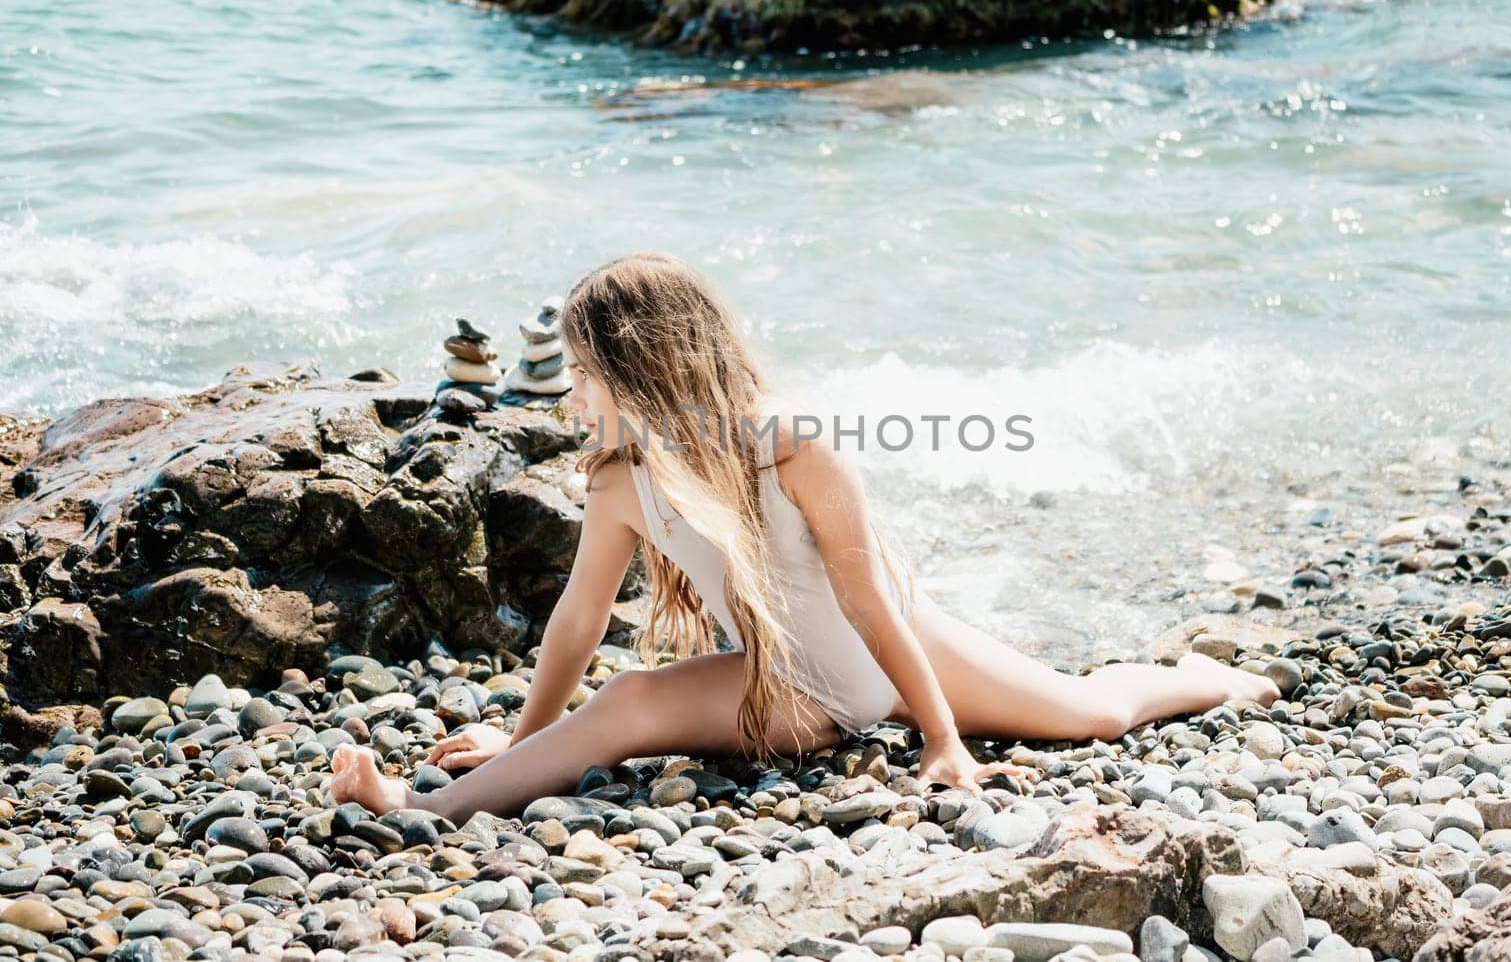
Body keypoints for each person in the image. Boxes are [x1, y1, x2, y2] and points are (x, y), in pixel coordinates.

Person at [330, 251, 1277, 822]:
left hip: (887, 641)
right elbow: (576, 622)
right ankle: (419, 808)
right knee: (628, 701)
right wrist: (515, 750)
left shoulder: (794, 446)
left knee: (1091, 713)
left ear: (646, 365)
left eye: (585, 371)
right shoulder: (623, 476)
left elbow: (867, 600)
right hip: (788, 685)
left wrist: (941, 737)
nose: (572, 391)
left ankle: (1215, 675)